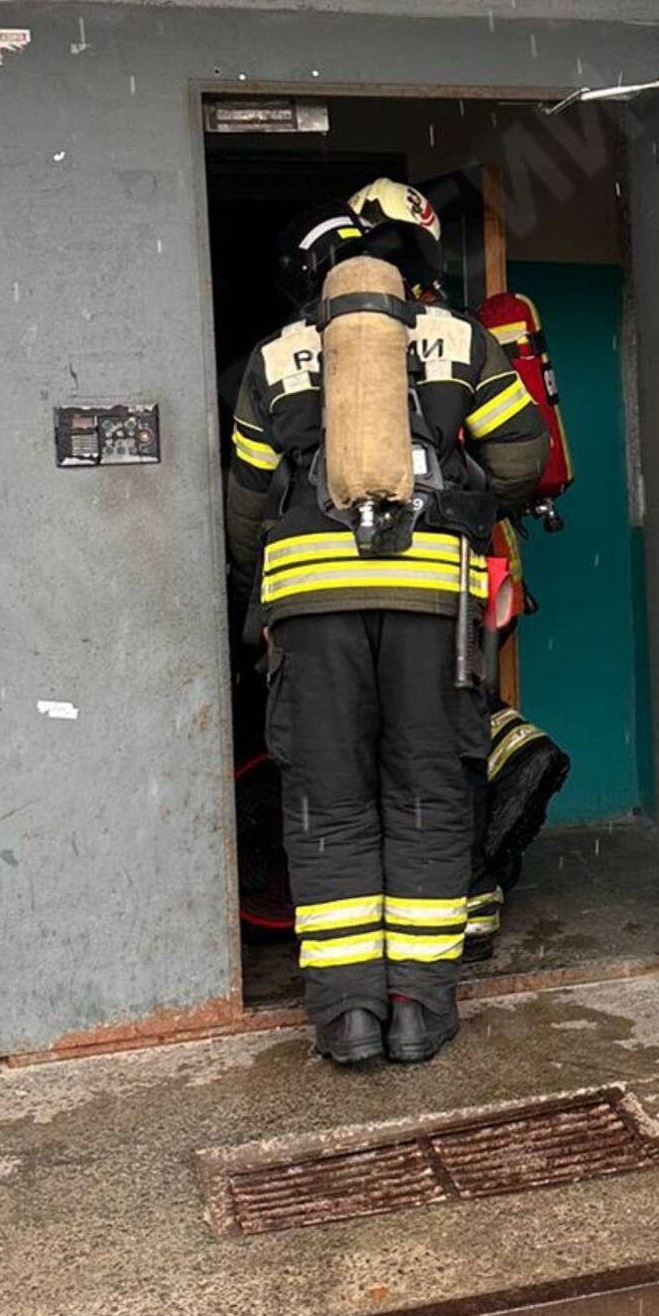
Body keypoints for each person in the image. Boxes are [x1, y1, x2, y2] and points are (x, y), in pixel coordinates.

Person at [225, 189, 548, 1066]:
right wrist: (461, 508)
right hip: (429, 604)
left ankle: (348, 1018)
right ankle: (416, 1009)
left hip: (311, 608)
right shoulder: (457, 340)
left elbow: (247, 509)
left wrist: (267, 582)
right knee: (427, 797)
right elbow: (521, 457)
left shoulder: (274, 357)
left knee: (326, 803)